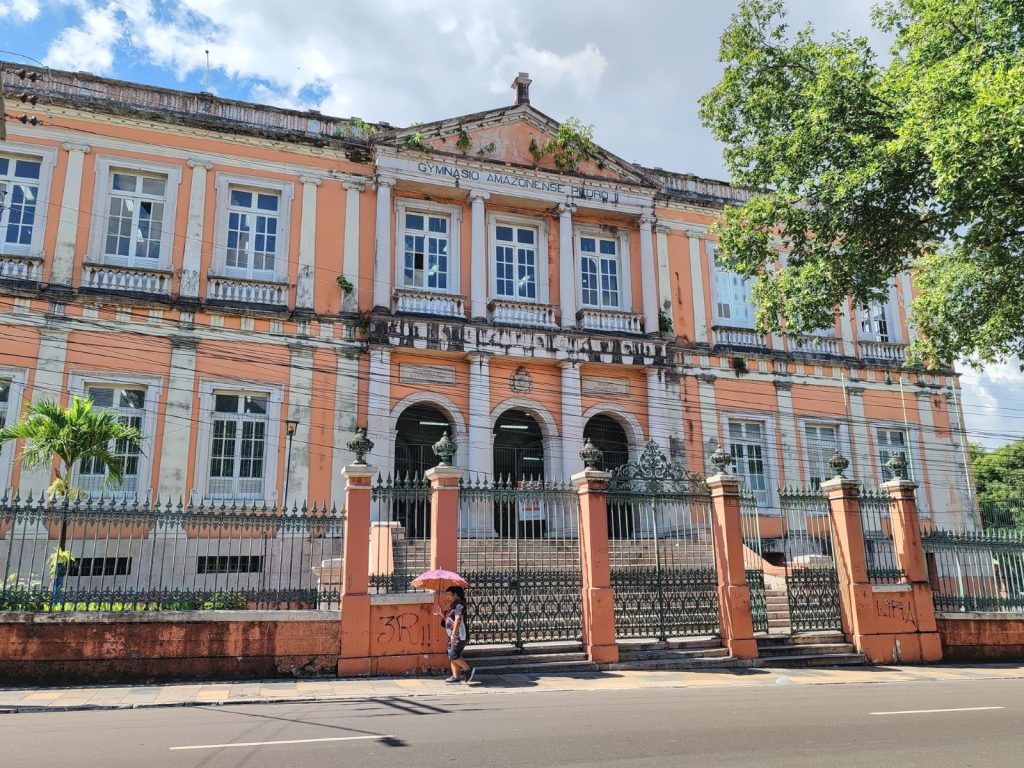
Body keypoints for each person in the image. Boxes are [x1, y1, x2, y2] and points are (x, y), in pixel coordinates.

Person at [442, 585, 474, 683]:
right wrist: (441, 614)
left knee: (454, 655)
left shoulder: (459, 604)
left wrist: (453, 635)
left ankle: (468, 669)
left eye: (449, 595)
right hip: (453, 635)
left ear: (455, 594)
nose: (447, 597)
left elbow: (458, 619)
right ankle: (455, 676)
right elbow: (450, 619)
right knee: (451, 655)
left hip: (459, 635)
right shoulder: (453, 604)